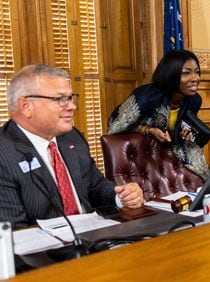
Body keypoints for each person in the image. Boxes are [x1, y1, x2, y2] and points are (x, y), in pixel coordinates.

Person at [0, 64, 144, 228]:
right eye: (60, 99)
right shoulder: (4, 153)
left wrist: (121, 196)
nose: (72, 106)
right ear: (26, 106)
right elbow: (14, 233)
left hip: (94, 237)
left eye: (70, 98)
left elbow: (95, 187)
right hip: (46, 250)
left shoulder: (72, 137)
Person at [107, 50, 210, 179]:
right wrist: (148, 130)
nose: (195, 78)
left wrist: (185, 132)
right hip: (144, 159)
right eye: (186, 73)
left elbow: (183, 125)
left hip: (173, 157)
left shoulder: (194, 100)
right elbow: (114, 126)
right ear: (171, 74)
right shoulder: (146, 97)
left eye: (197, 72)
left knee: (207, 183)